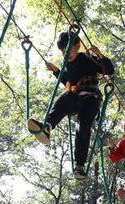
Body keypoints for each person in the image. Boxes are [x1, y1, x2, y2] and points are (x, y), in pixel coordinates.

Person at [28, 30, 115, 180]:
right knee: (64, 99)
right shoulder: (67, 64)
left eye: (68, 50)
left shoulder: (85, 58)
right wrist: (56, 71)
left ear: (77, 45)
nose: (66, 54)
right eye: (63, 51)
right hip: (76, 97)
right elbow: (68, 83)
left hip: (91, 98)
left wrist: (99, 55)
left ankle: (79, 166)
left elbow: (109, 70)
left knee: (83, 127)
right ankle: (47, 127)